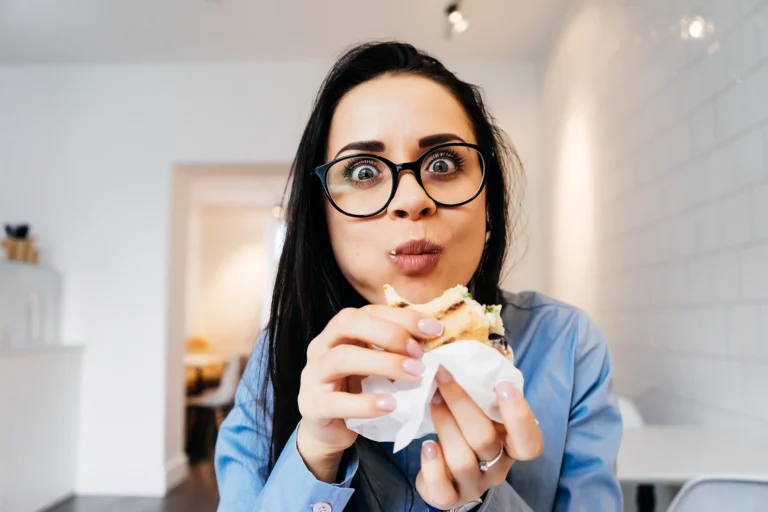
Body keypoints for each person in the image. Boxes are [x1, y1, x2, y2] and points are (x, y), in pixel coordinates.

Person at [214, 41, 623, 512]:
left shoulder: (566, 348)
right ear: (322, 217)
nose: (411, 199)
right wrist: (313, 454)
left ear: (489, 203)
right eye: (364, 171)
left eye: (444, 164)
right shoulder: (278, 358)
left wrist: (480, 505)